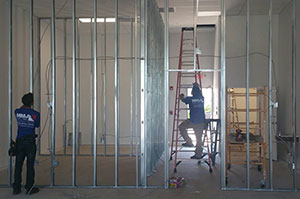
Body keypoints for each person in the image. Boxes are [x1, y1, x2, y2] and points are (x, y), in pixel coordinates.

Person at [13, 93, 40, 195]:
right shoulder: (35, 114)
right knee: (30, 165)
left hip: (19, 142)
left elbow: (19, 111)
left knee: (18, 165)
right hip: (30, 143)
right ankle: (29, 188)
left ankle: (16, 188)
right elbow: (37, 125)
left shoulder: (17, 111)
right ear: (32, 102)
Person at [179, 82, 206, 159]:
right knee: (199, 139)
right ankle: (198, 154)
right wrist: (196, 86)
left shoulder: (191, 99)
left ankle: (189, 142)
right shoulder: (202, 98)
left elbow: (183, 99)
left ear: (192, 92)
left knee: (181, 127)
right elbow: (198, 93)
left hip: (192, 121)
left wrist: (181, 96)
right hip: (201, 122)